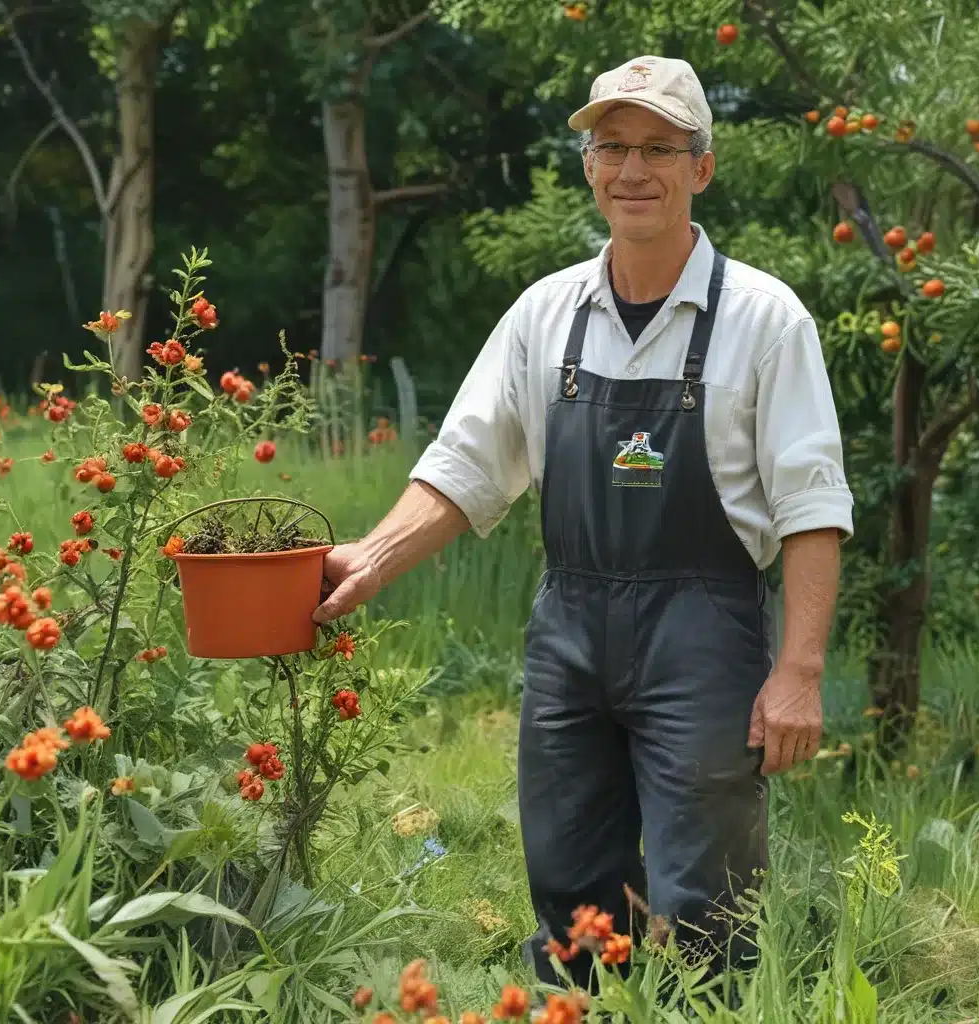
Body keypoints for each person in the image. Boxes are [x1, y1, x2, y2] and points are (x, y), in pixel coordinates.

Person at [313, 55, 853, 991]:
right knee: (568, 882)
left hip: (704, 633)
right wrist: (372, 556)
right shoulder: (546, 314)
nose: (632, 170)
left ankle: (709, 1012)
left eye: (658, 148)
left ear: (701, 167)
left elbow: (811, 506)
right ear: (589, 165)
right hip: (571, 626)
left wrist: (798, 672)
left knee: (705, 895)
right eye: (612, 147)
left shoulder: (767, 321)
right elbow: (467, 465)